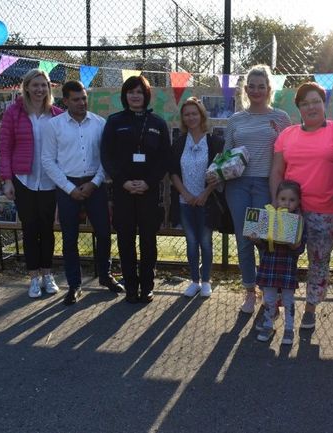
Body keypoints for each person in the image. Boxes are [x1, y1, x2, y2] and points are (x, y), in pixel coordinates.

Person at [270, 82, 333, 330]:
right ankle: (277, 304)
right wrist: (276, 204)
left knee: (318, 261)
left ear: (324, 103)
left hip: (326, 212)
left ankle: (310, 308)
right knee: (283, 260)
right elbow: (276, 170)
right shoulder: (287, 135)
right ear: (299, 108)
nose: (311, 107)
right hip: (290, 212)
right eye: (305, 103)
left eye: (316, 101)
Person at [41, 80, 124, 306]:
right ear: (65, 100)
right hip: (67, 185)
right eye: (76, 99)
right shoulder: (54, 126)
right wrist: (69, 188)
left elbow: (106, 158)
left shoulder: (99, 123)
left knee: (104, 233)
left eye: (84, 98)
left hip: (95, 185)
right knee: (69, 238)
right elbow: (48, 160)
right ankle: (75, 284)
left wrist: (95, 183)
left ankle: (105, 276)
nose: (81, 103)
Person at [224, 64, 291, 314]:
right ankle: (250, 292)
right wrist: (216, 176)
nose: (256, 90)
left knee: (264, 240)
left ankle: (268, 291)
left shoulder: (280, 118)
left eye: (261, 86)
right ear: (245, 89)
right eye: (251, 86)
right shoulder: (235, 120)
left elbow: (289, 151)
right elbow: (226, 155)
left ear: (269, 89)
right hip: (238, 186)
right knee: (243, 240)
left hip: (266, 184)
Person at [101, 75, 171, 304]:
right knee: (125, 239)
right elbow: (107, 156)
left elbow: (164, 159)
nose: (135, 96)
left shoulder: (158, 123)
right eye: (131, 92)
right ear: (125, 95)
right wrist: (123, 181)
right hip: (123, 191)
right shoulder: (114, 121)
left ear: (146, 95)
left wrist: (149, 182)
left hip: (148, 191)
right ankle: (131, 286)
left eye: (139, 92)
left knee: (148, 240)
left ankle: (147, 286)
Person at [0, 69, 63, 298]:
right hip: (23, 180)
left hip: (49, 182)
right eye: (35, 85)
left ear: (49, 88)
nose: (39, 90)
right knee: (29, 229)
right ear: (26, 87)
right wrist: (7, 180)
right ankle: (34, 277)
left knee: (47, 229)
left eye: (44, 85)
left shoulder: (57, 114)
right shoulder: (13, 112)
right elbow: (5, 148)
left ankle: (48, 274)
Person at [169, 97, 223, 298]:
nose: (191, 117)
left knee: (205, 241)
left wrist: (204, 194)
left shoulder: (215, 142)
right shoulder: (179, 143)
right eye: (187, 114)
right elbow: (173, 172)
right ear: (183, 118)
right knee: (191, 241)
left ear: (201, 116)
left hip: (206, 202)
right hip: (185, 202)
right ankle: (194, 281)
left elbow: (219, 172)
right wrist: (186, 194)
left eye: (194, 113)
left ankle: (207, 280)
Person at [250, 180, 306, 345]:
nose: (286, 203)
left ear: (298, 202)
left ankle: (289, 329)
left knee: (288, 299)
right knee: (269, 298)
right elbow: (263, 244)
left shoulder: (299, 220)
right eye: (282, 199)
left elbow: (300, 247)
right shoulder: (269, 217)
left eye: (291, 200)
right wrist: (255, 240)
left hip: (287, 266)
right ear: (276, 199)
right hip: (270, 264)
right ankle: (268, 324)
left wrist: (295, 245)